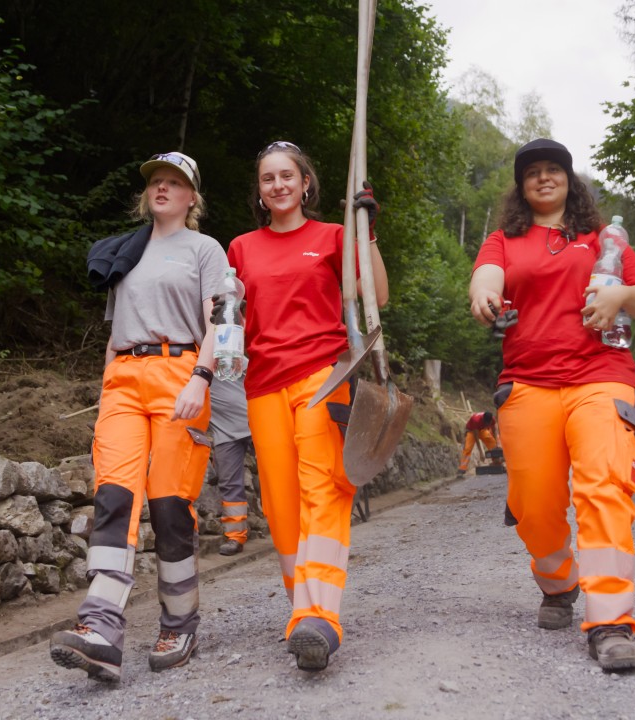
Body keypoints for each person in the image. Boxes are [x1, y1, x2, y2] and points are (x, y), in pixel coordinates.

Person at [469, 138, 635, 671]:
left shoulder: (602, 240)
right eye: (533, 173)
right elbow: (486, 279)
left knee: (603, 485)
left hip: (601, 375)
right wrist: (484, 299)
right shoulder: (505, 240)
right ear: (521, 186)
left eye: (554, 170)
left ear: (570, 181)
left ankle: (611, 621)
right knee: (533, 502)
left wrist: (620, 295)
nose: (544, 178)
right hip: (527, 382)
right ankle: (559, 583)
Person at [50, 151, 228, 681]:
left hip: (181, 375)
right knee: (114, 495)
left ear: (192, 198)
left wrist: (203, 376)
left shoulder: (205, 249)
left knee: (171, 504)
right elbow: (116, 328)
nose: (163, 189)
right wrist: (107, 389)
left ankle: (179, 621)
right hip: (124, 378)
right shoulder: (126, 250)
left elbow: (219, 323)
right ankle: (100, 627)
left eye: (176, 183)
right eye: (156, 182)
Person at [219, 140, 389, 672]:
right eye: (268, 178)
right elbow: (228, 318)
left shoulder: (333, 237)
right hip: (263, 385)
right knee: (281, 504)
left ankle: (322, 616)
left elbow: (376, 296)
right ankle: (302, 612)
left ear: (306, 183)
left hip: (322, 375)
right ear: (260, 192)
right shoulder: (241, 248)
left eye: (287, 175)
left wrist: (367, 233)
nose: (278, 185)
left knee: (323, 489)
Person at [208, 358, 253, 557]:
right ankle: (235, 536)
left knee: (278, 474)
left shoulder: (226, 352)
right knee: (229, 483)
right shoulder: (181, 358)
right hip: (223, 432)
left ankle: (295, 525)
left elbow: (257, 373)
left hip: (256, 420)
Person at [457, 411, 501, 475]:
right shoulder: (476, 420)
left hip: (483, 430)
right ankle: (462, 468)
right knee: (467, 448)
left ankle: (496, 461)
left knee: (492, 443)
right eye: (486, 423)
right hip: (472, 431)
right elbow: (476, 437)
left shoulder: (492, 419)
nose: (487, 425)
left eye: (489, 423)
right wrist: (481, 452)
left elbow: (494, 430)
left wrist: (497, 443)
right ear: (483, 420)